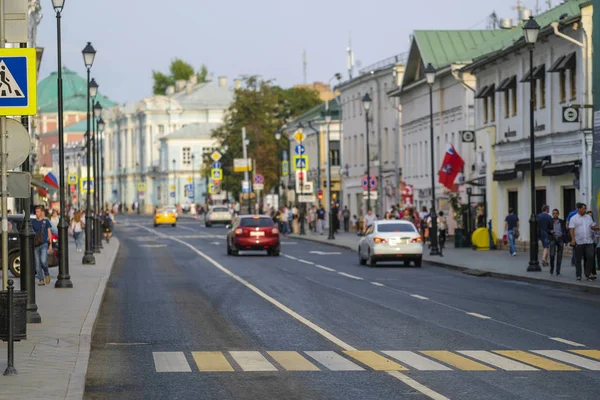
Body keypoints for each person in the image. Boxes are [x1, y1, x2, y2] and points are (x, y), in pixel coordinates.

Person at [569, 203, 598, 281]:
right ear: (579, 209)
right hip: (579, 242)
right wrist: (573, 239)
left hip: (589, 241)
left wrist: (596, 228)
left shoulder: (588, 217)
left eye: (585, 208)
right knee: (578, 259)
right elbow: (571, 229)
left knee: (591, 257)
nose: (585, 210)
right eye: (583, 208)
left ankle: (588, 274)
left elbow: (592, 226)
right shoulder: (573, 218)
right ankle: (578, 275)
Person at [32, 205, 52, 286]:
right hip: (36, 244)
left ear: (41, 212)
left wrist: (50, 244)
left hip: (44, 244)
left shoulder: (46, 221)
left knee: (43, 261)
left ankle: (46, 273)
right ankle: (41, 280)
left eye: (38, 211)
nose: (36, 213)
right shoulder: (33, 222)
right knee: (37, 264)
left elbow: (49, 233)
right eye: (36, 211)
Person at [549, 209, 568, 276]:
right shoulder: (550, 221)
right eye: (554, 213)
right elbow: (546, 229)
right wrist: (550, 231)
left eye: (556, 213)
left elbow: (565, 231)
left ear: (558, 214)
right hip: (553, 239)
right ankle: (551, 269)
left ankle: (558, 271)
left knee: (559, 256)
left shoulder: (562, 221)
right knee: (552, 255)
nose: (555, 214)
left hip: (560, 239)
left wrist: (566, 240)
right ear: (552, 214)